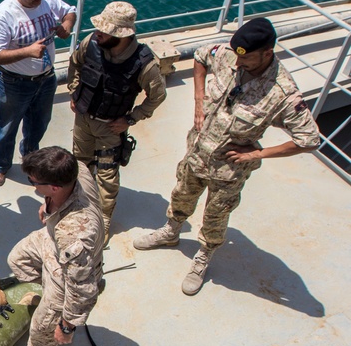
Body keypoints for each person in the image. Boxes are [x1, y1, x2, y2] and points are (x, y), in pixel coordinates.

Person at [132, 17, 321, 295]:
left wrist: (258, 153)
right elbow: (200, 56)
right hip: (197, 150)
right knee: (182, 193)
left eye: (246, 60)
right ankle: (171, 231)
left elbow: (309, 139)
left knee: (215, 215)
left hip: (229, 168)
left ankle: (203, 256)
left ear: (267, 53)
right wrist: (198, 101)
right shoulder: (229, 55)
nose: (237, 64)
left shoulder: (281, 92)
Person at [1, 147, 104, 346]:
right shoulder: (76, 170)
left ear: (55, 186)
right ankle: (50, 299)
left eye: (33, 182)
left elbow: (82, 288)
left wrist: (67, 326)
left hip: (73, 270)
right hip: (53, 240)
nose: (32, 186)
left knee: (42, 324)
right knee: (18, 259)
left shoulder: (74, 234)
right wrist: (48, 205)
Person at [68, 1, 166, 241]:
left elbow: (158, 95)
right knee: (80, 164)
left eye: (105, 31)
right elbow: (75, 62)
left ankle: (102, 219)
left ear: (120, 35)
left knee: (107, 174)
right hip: (83, 118)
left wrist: (131, 119)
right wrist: (74, 91)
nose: (98, 33)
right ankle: (77, 205)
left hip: (110, 127)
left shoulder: (143, 63)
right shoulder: (91, 43)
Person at [0, 0, 77, 186]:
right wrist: (28, 52)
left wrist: (66, 25)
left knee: (39, 123)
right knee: (6, 125)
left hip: (46, 78)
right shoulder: (3, 15)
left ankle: (30, 157)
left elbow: (70, 11)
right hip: (14, 82)